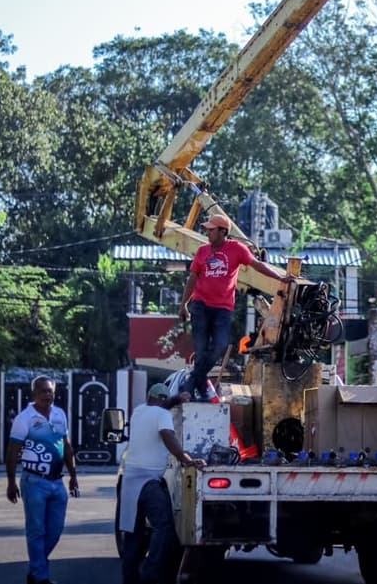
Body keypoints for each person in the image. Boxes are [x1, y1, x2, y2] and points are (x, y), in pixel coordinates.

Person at [179, 212, 293, 401]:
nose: (207, 233)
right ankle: (197, 389)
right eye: (207, 230)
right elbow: (192, 279)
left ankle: (190, 383)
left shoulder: (237, 249)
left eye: (211, 230)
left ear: (223, 231)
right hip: (200, 307)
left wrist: (280, 277)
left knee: (220, 346)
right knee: (200, 351)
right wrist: (184, 304)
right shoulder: (202, 251)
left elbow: (258, 265)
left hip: (222, 309)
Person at [119, 382, 207, 584]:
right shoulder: (163, 415)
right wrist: (187, 459)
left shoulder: (138, 411)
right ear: (163, 400)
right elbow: (168, 436)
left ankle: (130, 579)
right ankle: (150, 574)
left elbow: (160, 405)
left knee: (132, 533)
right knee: (164, 526)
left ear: (149, 397)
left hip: (130, 483)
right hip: (149, 482)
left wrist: (176, 399)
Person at [6, 376, 79, 584]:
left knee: (55, 530)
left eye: (50, 391)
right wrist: (11, 482)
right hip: (34, 482)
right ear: (34, 394)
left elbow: (66, 446)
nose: (48, 395)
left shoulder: (59, 414)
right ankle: (40, 577)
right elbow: (12, 452)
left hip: (57, 482)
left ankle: (35, 568)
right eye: (43, 391)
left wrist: (73, 476)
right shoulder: (25, 418)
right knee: (36, 530)